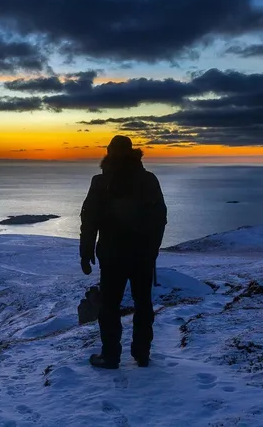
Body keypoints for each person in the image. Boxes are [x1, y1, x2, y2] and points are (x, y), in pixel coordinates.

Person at [79, 135, 167, 369]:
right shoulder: (148, 180)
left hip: (112, 254)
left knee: (110, 306)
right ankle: (142, 353)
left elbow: (89, 220)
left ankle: (110, 356)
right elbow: (160, 219)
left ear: (109, 152)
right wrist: (153, 249)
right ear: (133, 153)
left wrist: (85, 251)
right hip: (142, 255)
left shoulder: (100, 182)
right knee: (143, 303)